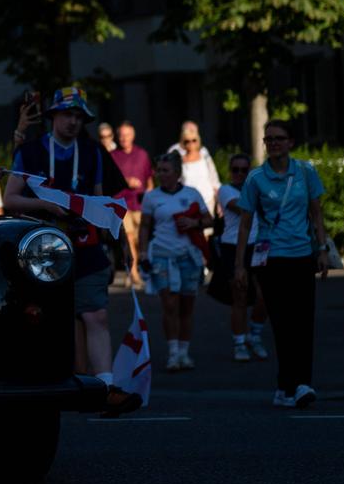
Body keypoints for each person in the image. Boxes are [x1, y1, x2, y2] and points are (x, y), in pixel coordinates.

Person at [4, 86, 137, 414]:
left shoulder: (92, 152)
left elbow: (102, 200)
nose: (73, 122)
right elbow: (10, 199)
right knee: (41, 316)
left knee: (97, 314)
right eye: (67, 115)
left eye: (79, 116)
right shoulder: (32, 151)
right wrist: (48, 205)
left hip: (86, 244)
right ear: (52, 117)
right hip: (41, 248)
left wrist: (122, 242)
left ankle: (105, 387)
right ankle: (40, 385)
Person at [229, 120, 328, 408]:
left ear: (291, 142)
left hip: (302, 256)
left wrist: (322, 249)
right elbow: (245, 225)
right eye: (268, 139)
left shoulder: (306, 172)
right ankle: (290, 385)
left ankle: (299, 384)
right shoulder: (256, 178)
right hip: (271, 259)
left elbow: (317, 214)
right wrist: (239, 265)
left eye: (279, 138)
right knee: (283, 323)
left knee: (303, 322)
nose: (273, 143)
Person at [139, 151, 210, 371]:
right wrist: (142, 253)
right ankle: (172, 354)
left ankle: (184, 353)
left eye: (165, 170)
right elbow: (144, 226)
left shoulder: (192, 193)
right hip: (162, 255)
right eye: (158, 170)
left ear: (177, 173)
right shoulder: (151, 197)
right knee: (169, 304)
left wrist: (194, 222)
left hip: (188, 256)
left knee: (186, 307)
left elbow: (210, 219)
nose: (160, 174)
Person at [215, 152, 269, 362]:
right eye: (235, 169)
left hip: (259, 245)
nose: (239, 173)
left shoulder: (257, 189)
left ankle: (254, 335)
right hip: (233, 246)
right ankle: (239, 342)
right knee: (239, 296)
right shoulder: (226, 189)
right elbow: (241, 208)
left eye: (243, 170)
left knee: (264, 296)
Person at [108, 122, 153, 289]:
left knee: (141, 239)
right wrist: (126, 182)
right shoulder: (112, 155)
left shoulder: (142, 154)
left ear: (133, 136)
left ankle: (141, 268)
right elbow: (108, 180)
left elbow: (149, 179)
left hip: (141, 203)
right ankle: (133, 273)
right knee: (129, 238)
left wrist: (151, 196)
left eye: (127, 135)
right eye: (121, 135)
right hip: (122, 203)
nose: (124, 138)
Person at [170, 121, 221, 213]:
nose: (191, 143)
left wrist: (219, 199)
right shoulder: (175, 152)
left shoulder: (204, 153)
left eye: (194, 140)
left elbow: (213, 177)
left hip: (207, 199)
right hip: (187, 202)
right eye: (187, 141)